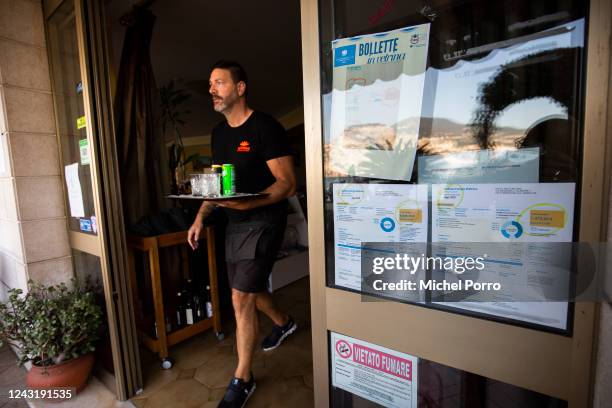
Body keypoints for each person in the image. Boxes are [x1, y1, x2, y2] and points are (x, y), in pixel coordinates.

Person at [187, 60, 298, 408]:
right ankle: (284, 322)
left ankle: (243, 377)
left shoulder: (266, 127)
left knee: (239, 297)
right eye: (210, 84)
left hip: (265, 219)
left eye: (219, 83)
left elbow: (288, 183)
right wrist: (200, 217)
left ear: (240, 88)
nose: (211, 90)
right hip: (234, 222)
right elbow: (218, 183)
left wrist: (251, 206)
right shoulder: (219, 133)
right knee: (243, 289)